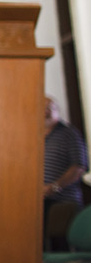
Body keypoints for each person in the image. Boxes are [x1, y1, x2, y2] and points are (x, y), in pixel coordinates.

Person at [43, 96, 88, 249]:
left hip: (62, 202)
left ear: (57, 110)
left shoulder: (69, 134)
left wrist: (54, 187)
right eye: (42, 108)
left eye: (50, 107)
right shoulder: (36, 136)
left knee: (60, 246)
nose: (46, 111)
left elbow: (79, 167)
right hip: (39, 202)